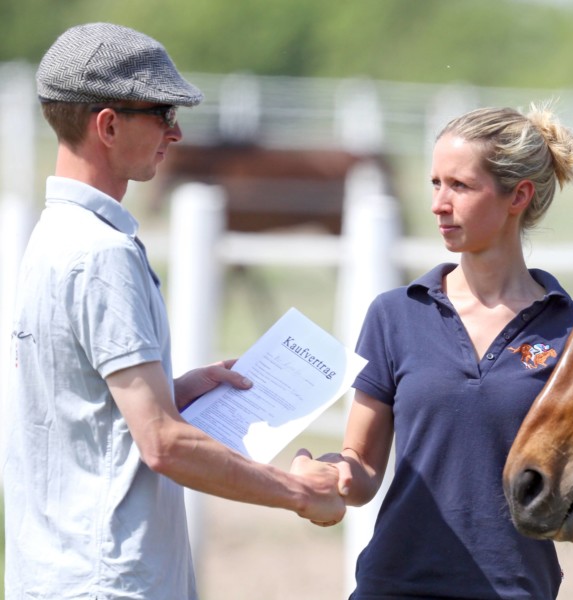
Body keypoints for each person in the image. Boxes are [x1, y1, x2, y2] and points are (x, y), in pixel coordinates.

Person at [3, 22, 346, 600]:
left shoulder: (55, 235)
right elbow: (162, 443)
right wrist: (296, 491)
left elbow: (78, 406)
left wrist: (179, 388)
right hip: (109, 578)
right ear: (108, 125)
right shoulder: (101, 254)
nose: (177, 131)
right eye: (161, 112)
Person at [295, 104, 573, 598]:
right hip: (392, 586)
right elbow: (364, 466)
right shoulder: (395, 315)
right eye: (436, 183)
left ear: (518, 196)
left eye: (459, 186)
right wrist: (329, 476)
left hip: (515, 589)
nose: (439, 203)